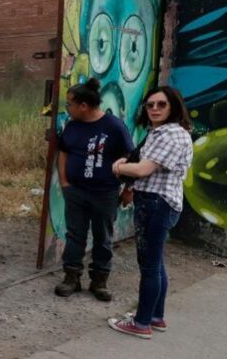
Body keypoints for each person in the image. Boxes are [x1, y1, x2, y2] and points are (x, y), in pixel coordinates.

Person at [109, 86, 194, 339]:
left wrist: (119, 167)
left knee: (149, 266)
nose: (155, 109)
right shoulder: (161, 132)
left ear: (174, 107)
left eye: (161, 104)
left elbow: (144, 170)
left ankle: (141, 322)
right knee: (155, 263)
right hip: (157, 203)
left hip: (156, 205)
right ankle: (155, 316)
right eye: (150, 105)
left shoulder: (170, 135)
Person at [54, 78, 134, 301]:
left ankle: (100, 281)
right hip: (76, 191)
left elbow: (131, 157)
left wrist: (129, 188)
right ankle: (71, 278)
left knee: (103, 237)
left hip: (105, 193)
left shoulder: (114, 127)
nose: (67, 108)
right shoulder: (72, 126)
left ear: (83, 106)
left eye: (70, 104)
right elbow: (63, 152)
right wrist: (64, 182)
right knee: (75, 235)